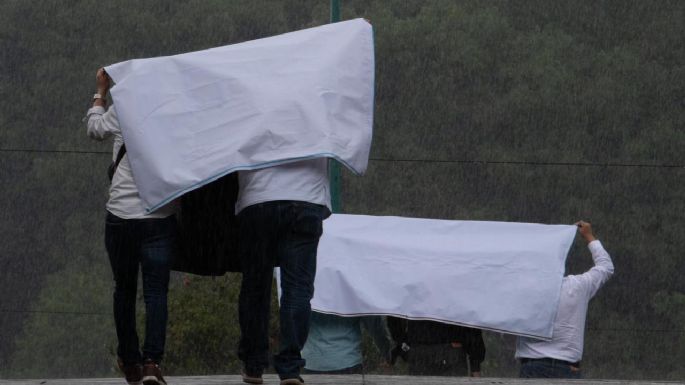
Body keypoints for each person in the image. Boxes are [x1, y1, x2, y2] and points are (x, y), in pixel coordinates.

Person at [86, 68, 178, 385]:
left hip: (121, 215)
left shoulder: (126, 108)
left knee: (124, 290)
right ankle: (153, 363)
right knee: (156, 293)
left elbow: (94, 129)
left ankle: (131, 362)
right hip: (159, 215)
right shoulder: (174, 116)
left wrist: (101, 92)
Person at [236, 159, 331, 385]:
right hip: (306, 195)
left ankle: (253, 363)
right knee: (297, 289)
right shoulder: (319, 120)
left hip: (258, 196)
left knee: (255, 286)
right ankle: (289, 366)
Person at [515, 220, 614, 379]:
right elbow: (606, 267)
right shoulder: (578, 286)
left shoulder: (525, 288)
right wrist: (589, 236)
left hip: (532, 367)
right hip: (567, 368)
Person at [388, 317, 485, 377]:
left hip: (420, 348)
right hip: (450, 348)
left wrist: (403, 344)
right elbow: (469, 314)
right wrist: (475, 364)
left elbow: (395, 312)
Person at [301, 312, 393, 374]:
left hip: (312, 362)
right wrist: (387, 353)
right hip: (347, 361)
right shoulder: (357, 289)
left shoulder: (309, 288)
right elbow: (374, 325)